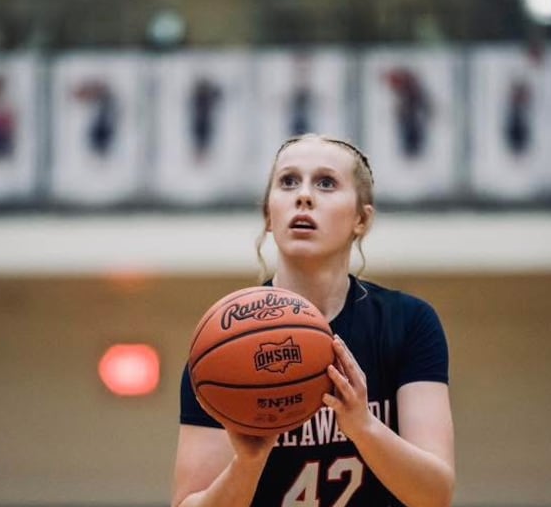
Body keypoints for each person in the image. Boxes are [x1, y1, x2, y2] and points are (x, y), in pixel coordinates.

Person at [173, 133, 455, 507]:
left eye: (326, 183)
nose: (303, 196)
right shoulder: (222, 343)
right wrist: (248, 463)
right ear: (269, 215)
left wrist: (364, 427)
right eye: (288, 181)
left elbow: (435, 496)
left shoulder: (408, 322)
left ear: (361, 219)